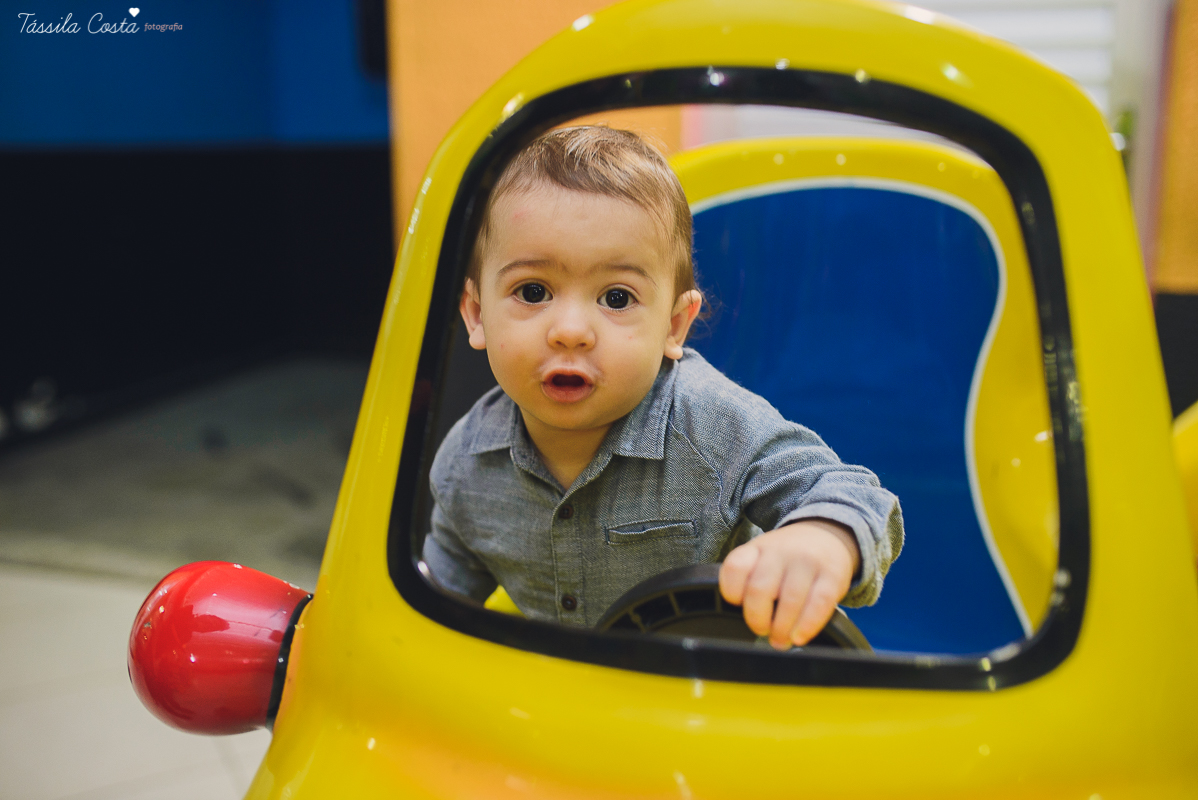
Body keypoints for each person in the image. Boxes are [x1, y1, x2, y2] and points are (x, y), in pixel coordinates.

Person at [422, 126, 903, 650]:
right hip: (561, 692)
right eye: (533, 291)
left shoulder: (713, 427)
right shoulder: (465, 465)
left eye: (616, 298)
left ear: (674, 326)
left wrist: (822, 538)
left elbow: (855, 493)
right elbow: (434, 610)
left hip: (720, 684)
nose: (571, 330)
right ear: (476, 315)